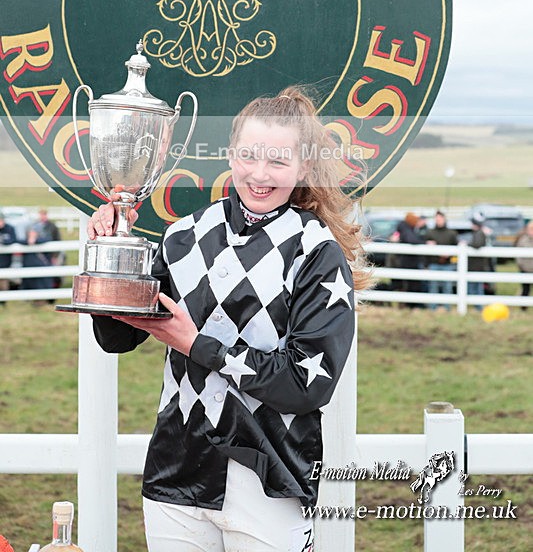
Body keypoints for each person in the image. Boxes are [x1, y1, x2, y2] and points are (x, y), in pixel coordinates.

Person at [88, 86, 370, 552]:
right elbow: (115, 334)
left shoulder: (317, 253)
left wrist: (197, 345)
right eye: (249, 156)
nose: (260, 175)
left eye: (278, 162)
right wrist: (114, 250)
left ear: (303, 167)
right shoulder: (183, 235)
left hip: (269, 475)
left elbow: (307, 384)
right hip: (176, 472)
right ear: (230, 154)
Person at [425, 210, 458, 311]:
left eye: (440, 219)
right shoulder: (430, 233)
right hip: (434, 263)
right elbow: (426, 248)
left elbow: (456, 249)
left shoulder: (452, 233)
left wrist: (449, 254)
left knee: (447, 287)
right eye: (437, 219)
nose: (438, 221)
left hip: (447, 264)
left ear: (444, 219)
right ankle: (432, 308)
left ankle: (447, 308)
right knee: (433, 286)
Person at [393, 212, 426, 305]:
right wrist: (424, 243)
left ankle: (409, 304)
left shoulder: (406, 228)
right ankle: (410, 304)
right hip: (405, 261)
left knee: (409, 283)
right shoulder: (406, 228)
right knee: (409, 283)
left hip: (405, 261)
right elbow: (411, 240)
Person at [31, 208, 63, 287]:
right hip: (39, 253)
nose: (42, 217)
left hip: (50, 253)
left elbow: (57, 239)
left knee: (52, 271)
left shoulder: (52, 226)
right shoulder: (35, 225)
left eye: (44, 215)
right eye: (41, 215)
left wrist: (55, 255)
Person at [467, 214, 490, 310]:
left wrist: (467, 244)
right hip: (476, 265)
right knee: (475, 287)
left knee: (477, 287)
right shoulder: (478, 233)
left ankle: (479, 307)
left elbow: (477, 244)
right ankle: (477, 306)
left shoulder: (479, 233)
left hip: (477, 266)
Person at [515, 220, 533, 310]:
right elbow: (518, 255)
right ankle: (523, 307)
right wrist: (521, 265)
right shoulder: (523, 239)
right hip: (525, 268)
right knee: (526, 289)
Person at [0, 211, 17, 303]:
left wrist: (4, 242)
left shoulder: (9, 228)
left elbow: (13, 240)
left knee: (3, 283)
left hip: (4, 262)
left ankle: (3, 303)